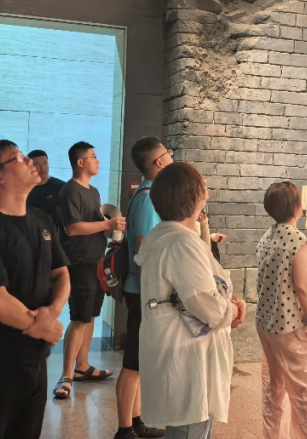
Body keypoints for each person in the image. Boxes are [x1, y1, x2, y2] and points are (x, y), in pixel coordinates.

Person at [0, 140, 71, 439]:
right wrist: (45, 327)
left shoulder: (42, 219)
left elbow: (60, 274)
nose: (30, 161)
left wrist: (52, 312)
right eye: (18, 157)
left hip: (33, 357)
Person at [135, 162, 246, 439]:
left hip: (180, 352)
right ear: (195, 197)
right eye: (203, 186)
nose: (207, 191)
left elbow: (197, 289)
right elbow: (209, 308)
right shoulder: (181, 243)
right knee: (189, 430)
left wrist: (226, 302)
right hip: (187, 358)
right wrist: (233, 309)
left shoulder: (168, 236)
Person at [255, 181, 307, 439]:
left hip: (266, 323)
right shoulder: (298, 241)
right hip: (290, 326)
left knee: (275, 387)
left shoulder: (267, 236)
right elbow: (302, 288)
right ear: (297, 206)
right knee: (306, 392)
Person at [55, 142, 123, 400]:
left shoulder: (93, 191)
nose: (98, 161)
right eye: (93, 157)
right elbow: (72, 228)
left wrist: (111, 228)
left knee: (91, 315)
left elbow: (94, 225)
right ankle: (66, 375)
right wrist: (107, 224)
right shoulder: (69, 190)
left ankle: (82, 366)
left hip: (96, 261)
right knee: (79, 318)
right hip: (79, 262)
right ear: (80, 162)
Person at [114, 137, 172, 439]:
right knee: (133, 363)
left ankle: (137, 421)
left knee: (139, 362)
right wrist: (155, 293)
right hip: (142, 291)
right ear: (159, 161)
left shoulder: (145, 194)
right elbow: (143, 252)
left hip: (140, 290)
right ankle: (125, 428)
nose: (171, 157)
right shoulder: (149, 199)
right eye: (168, 153)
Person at [27, 150, 66, 237]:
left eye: (45, 163)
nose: (43, 168)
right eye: (37, 164)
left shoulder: (61, 187)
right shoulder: (24, 189)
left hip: (55, 236)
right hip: (31, 234)